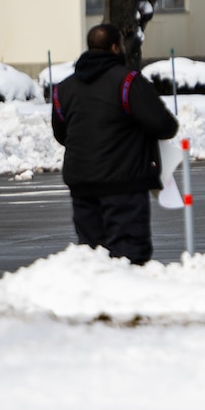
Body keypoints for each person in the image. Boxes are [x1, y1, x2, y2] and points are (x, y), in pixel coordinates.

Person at [48, 22, 179, 264]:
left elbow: (61, 134)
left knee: (93, 255)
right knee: (129, 254)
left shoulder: (63, 89)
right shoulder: (128, 82)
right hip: (124, 183)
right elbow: (164, 125)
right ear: (114, 47)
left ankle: (98, 299)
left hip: (82, 184)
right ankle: (127, 300)